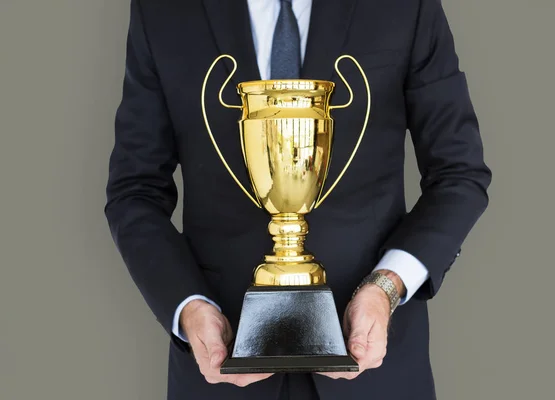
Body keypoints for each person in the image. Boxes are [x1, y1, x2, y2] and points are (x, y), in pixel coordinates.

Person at [105, 0, 491, 399]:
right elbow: (134, 191)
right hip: (220, 376)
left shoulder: (405, 6)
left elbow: (459, 174)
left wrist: (387, 287)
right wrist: (188, 308)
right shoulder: (162, 10)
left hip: (377, 375)